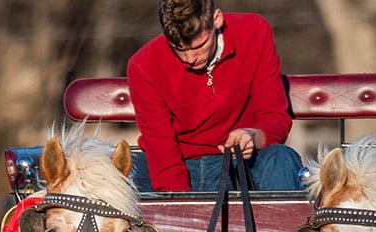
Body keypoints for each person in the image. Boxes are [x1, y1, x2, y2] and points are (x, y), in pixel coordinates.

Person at [126, 0, 303, 192]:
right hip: (181, 162)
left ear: (216, 19)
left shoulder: (254, 31)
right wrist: (183, 208)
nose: (190, 59)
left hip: (240, 162)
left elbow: (274, 116)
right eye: (179, 49)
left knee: (282, 158)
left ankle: (283, 221)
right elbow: (162, 153)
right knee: (115, 174)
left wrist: (254, 136)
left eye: (199, 46)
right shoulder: (144, 65)